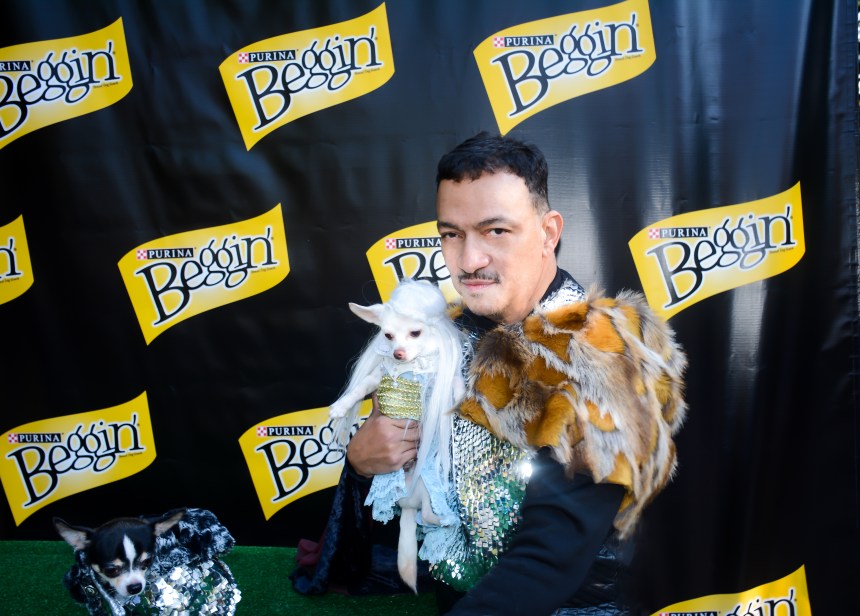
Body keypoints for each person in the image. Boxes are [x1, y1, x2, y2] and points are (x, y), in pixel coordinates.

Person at [292, 133, 686, 614]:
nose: (469, 260)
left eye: (495, 231)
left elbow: (547, 561)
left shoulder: (598, 356)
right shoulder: (440, 337)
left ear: (548, 233)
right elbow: (396, 498)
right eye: (451, 234)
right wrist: (360, 463)